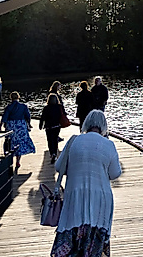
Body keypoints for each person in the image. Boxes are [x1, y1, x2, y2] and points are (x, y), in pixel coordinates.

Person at [50, 109, 122, 257]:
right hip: (100, 198)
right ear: (103, 126)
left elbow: (59, 167)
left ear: (86, 124)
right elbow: (115, 173)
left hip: (75, 196)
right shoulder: (108, 144)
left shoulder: (73, 141)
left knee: (72, 234)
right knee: (95, 238)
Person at [0, 91, 35, 171]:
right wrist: (29, 124)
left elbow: (5, 116)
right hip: (20, 125)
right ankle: (18, 161)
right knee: (20, 142)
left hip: (11, 125)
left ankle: (9, 158)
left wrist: (1, 125)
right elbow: (28, 116)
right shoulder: (23, 106)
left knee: (10, 141)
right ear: (18, 97)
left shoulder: (9, 107)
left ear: (11, 98)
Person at [39, 93, 69, 163]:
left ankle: (52, 153)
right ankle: (55, 153)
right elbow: (63, 114)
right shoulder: (59, 107)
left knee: (50, 140)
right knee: (55, 139)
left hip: (48, 126)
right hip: (57, 125)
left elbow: (43, 117)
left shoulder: (46, 108)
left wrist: (41, 125)